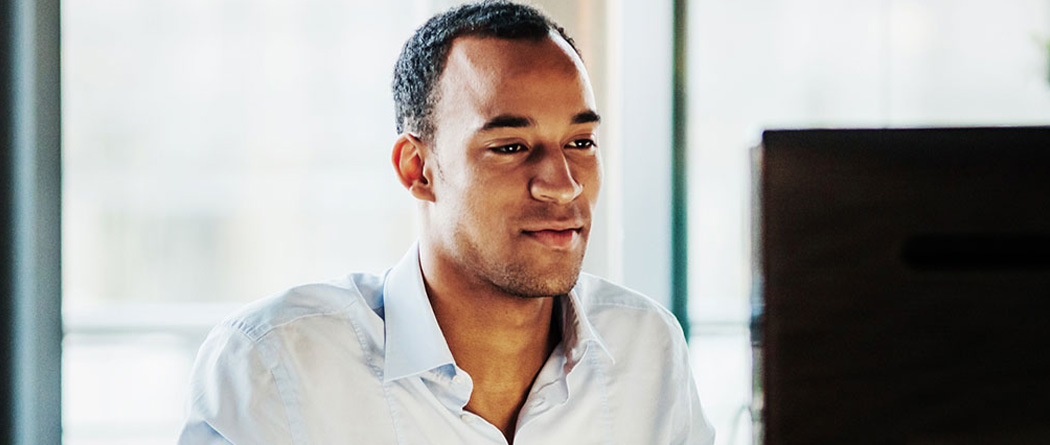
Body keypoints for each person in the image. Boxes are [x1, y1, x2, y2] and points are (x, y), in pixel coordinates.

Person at [179, 1, 715, 443]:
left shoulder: (648, 348)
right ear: (419, 169)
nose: (564, 183)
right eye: (510, 146)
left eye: (580, 142)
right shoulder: (276, 366)